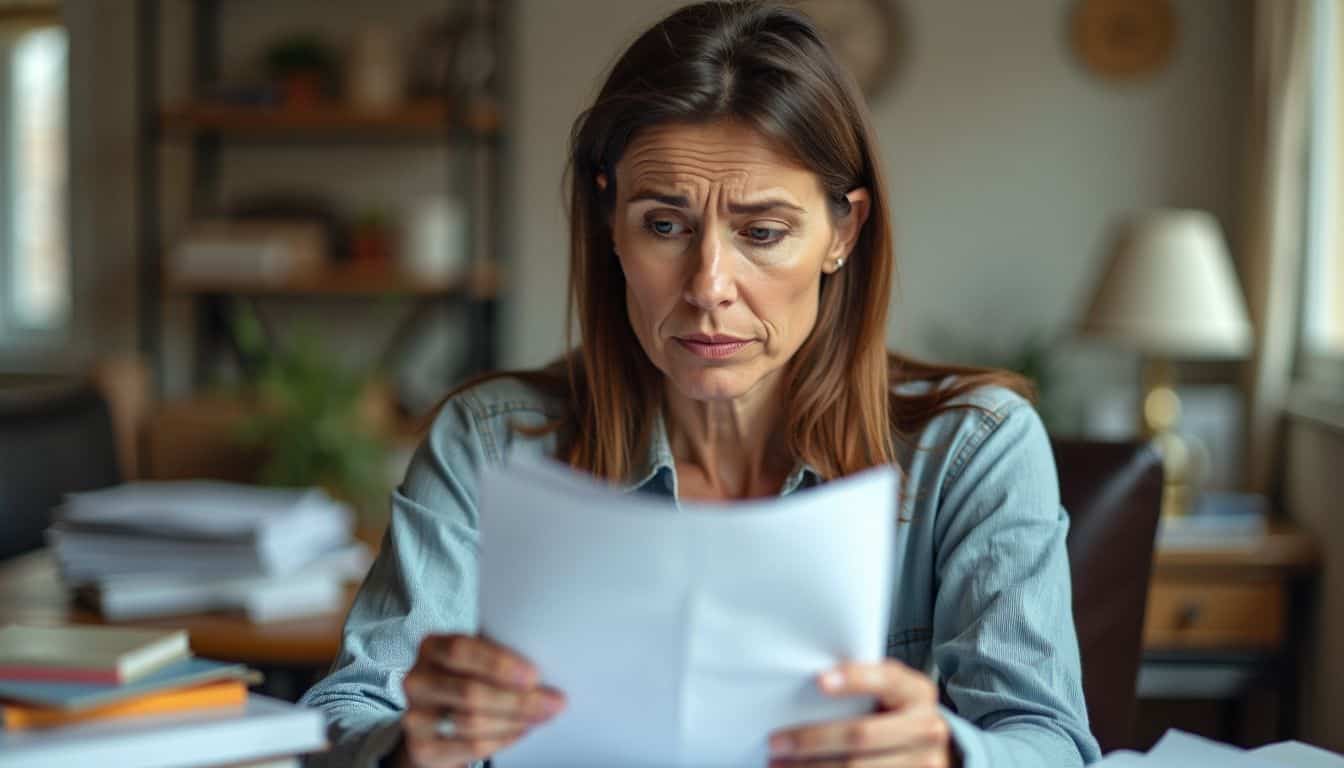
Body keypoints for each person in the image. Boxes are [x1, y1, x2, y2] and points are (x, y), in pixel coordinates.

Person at [300, 2, 1102, 766]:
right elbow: (352, 711)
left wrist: (946, 754)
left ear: (844, 231)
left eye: (761, 232)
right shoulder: (492, 440)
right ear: (610, 222)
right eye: (664, 225)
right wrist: (415, 745)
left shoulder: (973, 451)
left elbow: (1049, 741)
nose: (708, 285)